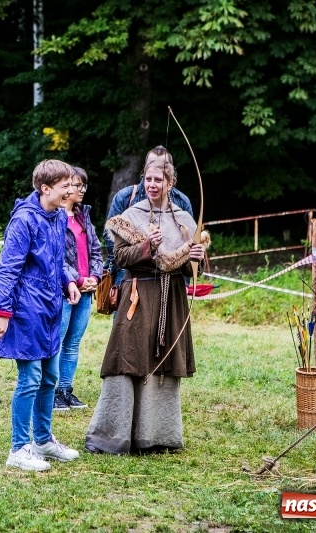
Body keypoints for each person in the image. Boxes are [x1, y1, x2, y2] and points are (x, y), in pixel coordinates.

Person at [85, 158, 208, 455]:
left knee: (162, 362)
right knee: (127, 359)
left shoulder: (183, 219)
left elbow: (193, 270)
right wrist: (147, 246)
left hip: (171, 298)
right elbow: (120, 258)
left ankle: (156, 436)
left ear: (170, 183)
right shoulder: (130, 216)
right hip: (137, 295)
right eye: (148, 179)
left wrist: (196, 257)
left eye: (158, 180)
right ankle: (114, 435)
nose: (152, 185)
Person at [0, 159, 82, 471]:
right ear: (45, 188)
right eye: (65, 186)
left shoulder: (59, 216)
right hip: (25, 310)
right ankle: (19, 448)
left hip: (51, 310)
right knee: (29, 378)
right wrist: (3, 312)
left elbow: (57, 260)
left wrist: (68, 281)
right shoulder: (24, 220)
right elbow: (6, 269)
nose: (70, 191)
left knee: (50, 377)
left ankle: (43, 440)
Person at [104, 146, 194, 287]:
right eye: (152, 163)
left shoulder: (181, 201)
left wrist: (185, 278)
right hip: (132, 275)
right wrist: (146, 251)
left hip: (173, 280)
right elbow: (113, 244)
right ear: (145, 167)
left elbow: (188, 247)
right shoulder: (126, 196)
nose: (156, 166)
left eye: (162, 164)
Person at [54, 166, 103, 411]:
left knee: (73, 342)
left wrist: (95, 276)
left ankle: (65, 389)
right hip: (64, 290)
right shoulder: (54, 216)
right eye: (76, 185)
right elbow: (56, 257)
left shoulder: (84, 215)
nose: (81, 190)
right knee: (58, 341)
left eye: (84, 185)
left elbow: (96, 249)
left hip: (86, 290)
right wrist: (76, 279)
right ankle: (52, 391)